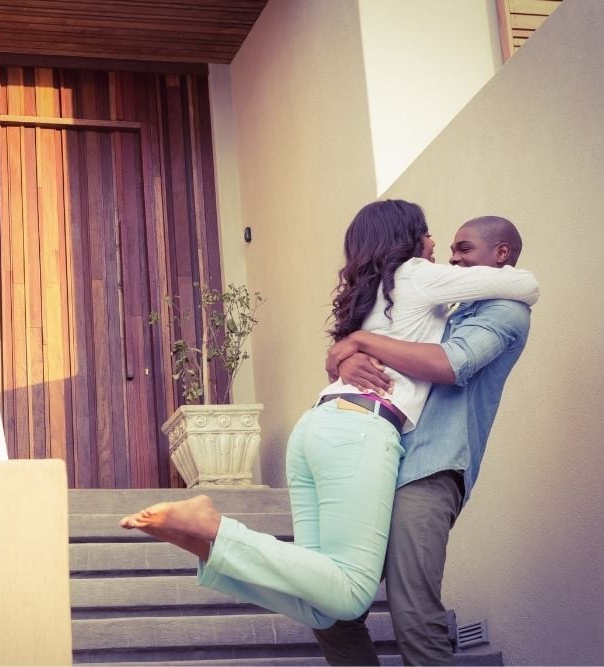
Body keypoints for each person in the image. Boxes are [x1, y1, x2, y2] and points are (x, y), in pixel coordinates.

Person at [119, 201, 540, 630]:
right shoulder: (416, 274)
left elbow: (369, 348)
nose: (438, 246)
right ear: (408, 237)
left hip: (317, 428)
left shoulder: (376, 290)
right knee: (351, 590)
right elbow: (527, 283)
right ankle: (215, 528)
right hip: (361, 429)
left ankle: (208, 548)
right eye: (429, 233)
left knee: (323, 606)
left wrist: (356, 343)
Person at [312, 215, 535, 666]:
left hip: (430, 470)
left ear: (501, 255)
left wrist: (362, 339)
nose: (453, 257)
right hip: (380, 458)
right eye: (452, 248)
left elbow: (450, 364)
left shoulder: (504, 312)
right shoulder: (448, 305)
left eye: (465, 249)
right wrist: (351, 361)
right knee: (329, 604)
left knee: (413, 615)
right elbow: (393, 354)